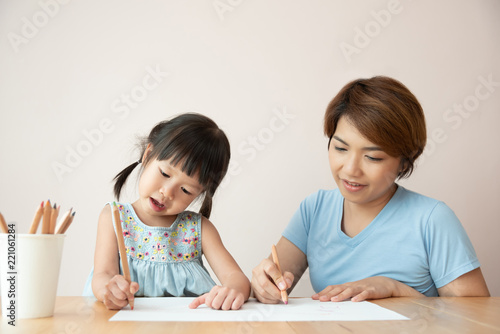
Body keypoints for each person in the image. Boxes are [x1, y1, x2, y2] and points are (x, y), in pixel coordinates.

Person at [251, 76, 490, 303]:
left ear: (404, 161)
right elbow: (272, 287)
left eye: (373, 157)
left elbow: (477, 317)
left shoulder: (432, 220)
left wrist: (395, 288)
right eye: (341, 149)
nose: (351, 169)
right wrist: (264, 285)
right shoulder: (314, 210)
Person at [83, 113, 250, 310]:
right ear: (147, 155)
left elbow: (235, 277)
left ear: (199, 194)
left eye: (186, 190)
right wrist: (108, 290)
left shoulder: (199, 229)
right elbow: (103, 274)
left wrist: (234, 290)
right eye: (164, 173)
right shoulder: (114, 218)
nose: (167, 192)